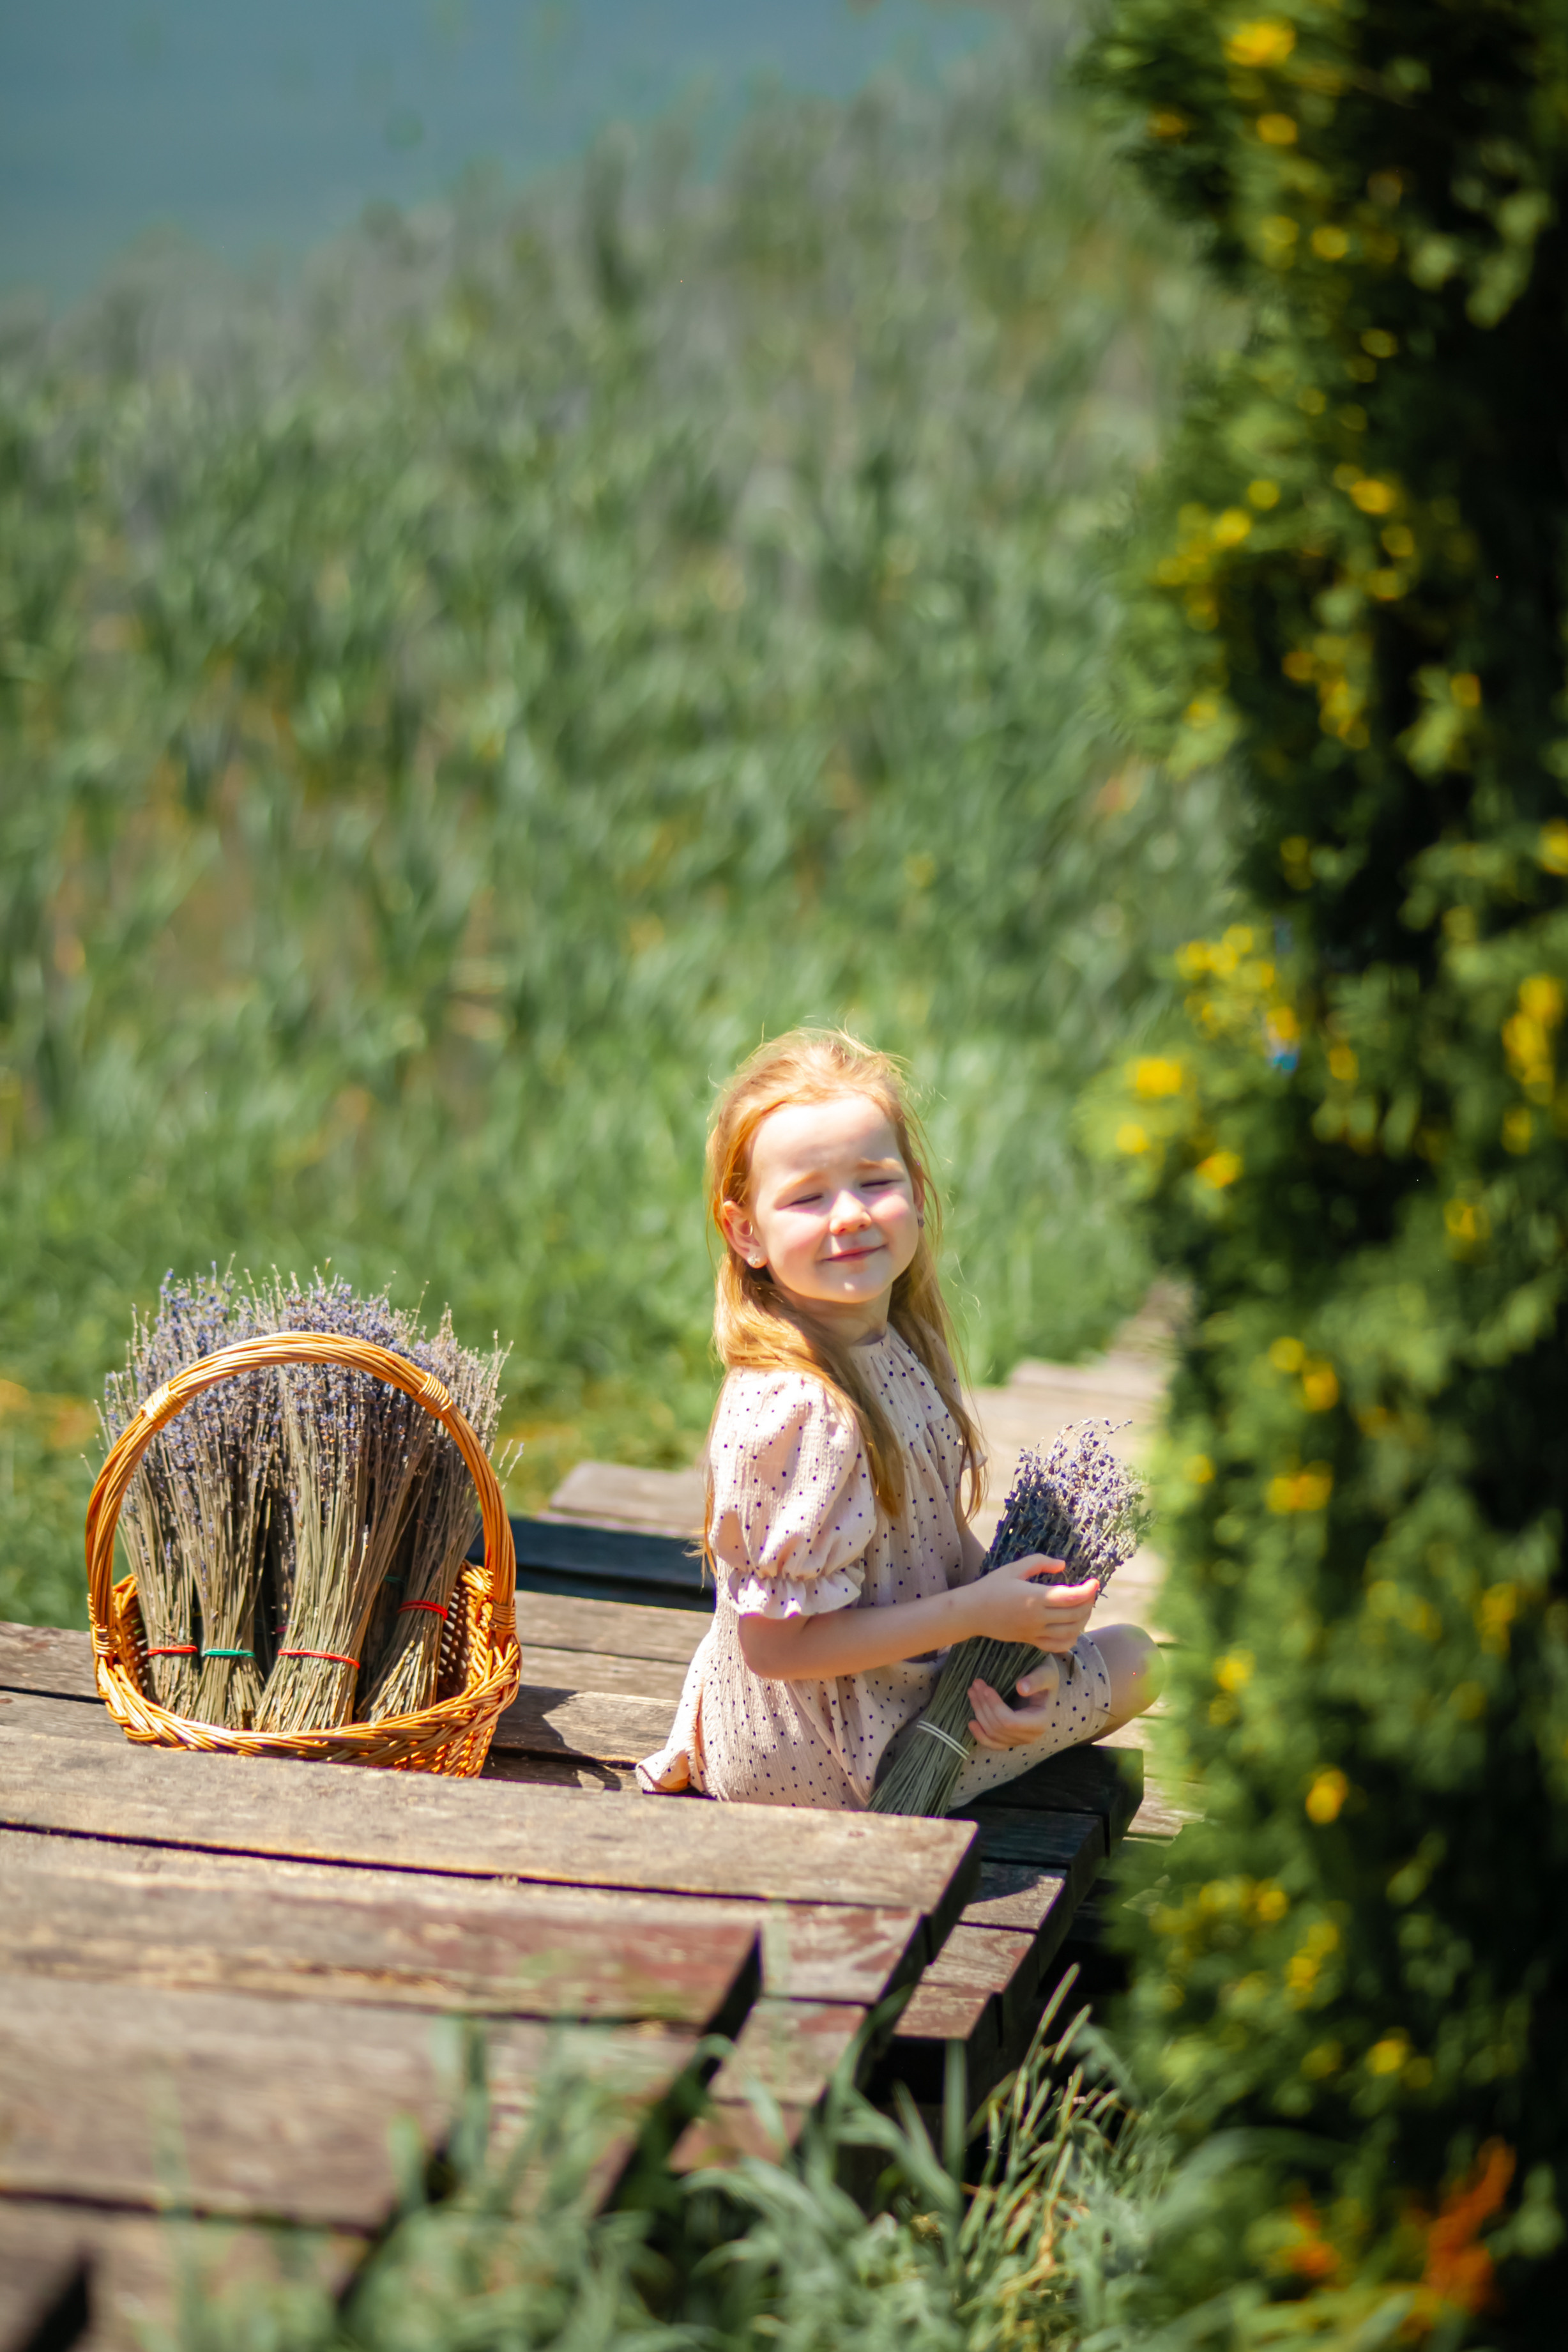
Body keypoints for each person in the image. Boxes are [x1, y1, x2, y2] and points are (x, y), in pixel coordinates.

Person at [637, 1029, 1162, 1808]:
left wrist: (1025, 1650)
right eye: (807, 1196)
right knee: (1140, 1660)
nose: (847, 1215)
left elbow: (932, 1544)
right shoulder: (798, 1407)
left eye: (873, 1182)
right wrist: (977, 1614)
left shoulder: (898, 1341)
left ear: (917, 1192)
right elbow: (773, 1647)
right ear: (746, 1231)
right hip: (829, 1754)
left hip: (885, 1690)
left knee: (1087, 1665)